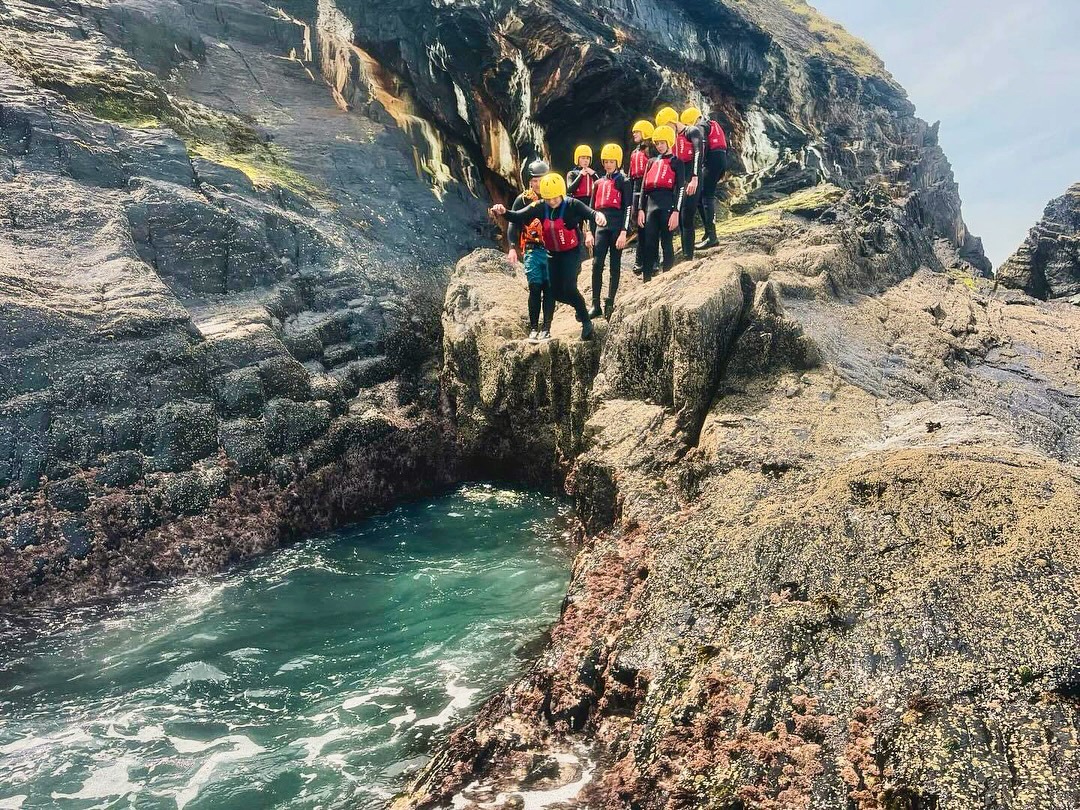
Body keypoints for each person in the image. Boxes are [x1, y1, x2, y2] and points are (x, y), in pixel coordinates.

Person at [491, 173, 607, 340]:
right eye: (548, 199)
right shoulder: (539, 206)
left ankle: (586, 321)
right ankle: (580, 308)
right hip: (552, 253)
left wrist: (599, 216)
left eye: (555, 198)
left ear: (561, 194)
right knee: (556, 293)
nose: (552, 202)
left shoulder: (572, 204)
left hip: (572, 253)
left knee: (568, 287)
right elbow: (518, 216)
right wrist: (504, 211)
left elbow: (591, 213)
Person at [505, 159, 554, 341]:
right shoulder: (523, 199)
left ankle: (547, 328)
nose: (538, 183)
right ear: (530, 181)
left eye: (541, 179)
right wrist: (512, 248)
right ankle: (534, 328)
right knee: (535, 287)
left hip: (551, 250)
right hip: (532, 248)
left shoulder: (555, 196)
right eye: (535, 180)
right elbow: (513, 223)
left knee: (550, 288)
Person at [636, 125, 686, 282]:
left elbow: (680, 189)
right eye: (657, 143)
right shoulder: (651, 162)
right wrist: (640, 209)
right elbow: (644, 187)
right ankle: (647, 279)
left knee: (666, 243)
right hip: (650, 207)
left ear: (669, 142)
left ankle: (667, 279)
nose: (659, 146)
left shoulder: (677, 162)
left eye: (662, 143)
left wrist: (676, 212)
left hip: (667, 206)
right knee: (649, 243)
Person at [588, 144, 633, 319]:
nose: (608, 165)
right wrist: (589, 232)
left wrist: (624, 232)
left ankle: (610, 301)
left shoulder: (624, 181)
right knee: (596, 264)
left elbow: (628, 208)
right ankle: (595, 304)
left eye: (611, 161)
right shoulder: (598, 183)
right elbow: (591, 210)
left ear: (618, 162)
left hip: (616, 227)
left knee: (615, 265)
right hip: (601, 228)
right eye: (606, 161)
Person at [657, 106, 704, 261]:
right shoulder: (673, 139)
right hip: (681, 180)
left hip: (692, 177)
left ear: (672, 121)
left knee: (686, 216)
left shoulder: (691, 131)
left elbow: (698, 152)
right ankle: (685, 254)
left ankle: (688, 256)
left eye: (666, 126)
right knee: (681, 217)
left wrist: (695, 177)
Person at [689, 109, 728, 250]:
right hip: (721, 159)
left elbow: (702, 145)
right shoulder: (712, 123)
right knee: (701, 196)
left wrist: (698, 166)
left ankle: (712, 237)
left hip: (711, 161)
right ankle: (708, 233)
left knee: (706, 196)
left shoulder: (700, 126)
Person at [628, 120, 655, 277]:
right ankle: (639, 261)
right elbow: (632, 174)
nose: (634, 134)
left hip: (649, 189)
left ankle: (653, 261)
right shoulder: (634, 153)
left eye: (636, 131)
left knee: (651, 227)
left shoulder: (650, 150)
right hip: (636, 189)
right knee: (639, 226)